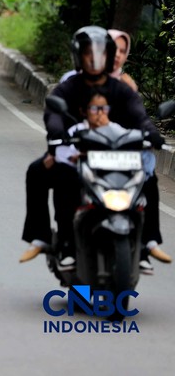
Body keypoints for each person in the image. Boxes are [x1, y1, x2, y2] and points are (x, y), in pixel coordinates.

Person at [19, 26, 170, 269]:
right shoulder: (70, 86)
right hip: (76, 154)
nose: (94, 58)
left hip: (117, 155)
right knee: (47, 174)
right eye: (88, 53)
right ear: (78, 56)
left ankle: (146, 244)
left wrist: (152, 134)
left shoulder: (121, 88)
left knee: (147, 180)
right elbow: (54, 115)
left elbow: (139, 116)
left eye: (100, 53)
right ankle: (55, 241)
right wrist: (57, 137)